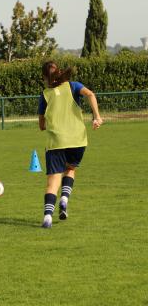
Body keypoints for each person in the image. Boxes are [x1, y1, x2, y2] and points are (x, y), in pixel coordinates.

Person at [38, 61, 102, 228]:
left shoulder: (45, 94)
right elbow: (90, 95)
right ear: (59, 72)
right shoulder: (73, 86)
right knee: (70, 169)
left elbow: (42, 125)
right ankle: (65, 199)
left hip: (56, 141)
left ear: (45, 77)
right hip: (77, 139)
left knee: (53, 182)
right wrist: (97, 117)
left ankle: (47, 218)